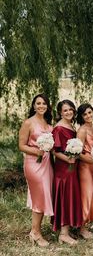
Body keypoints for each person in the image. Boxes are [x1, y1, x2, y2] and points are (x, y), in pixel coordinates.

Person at [19, 94, 53, 247]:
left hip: (47, 164)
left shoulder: (47, 122)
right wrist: (37, 152)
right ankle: (35, 233)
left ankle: (36, 230)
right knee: (39, 195)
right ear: (33, 106)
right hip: (33, 163)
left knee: (43, 194)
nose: (41, 106)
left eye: (44, 103)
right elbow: (21, 145)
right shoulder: (28, 123)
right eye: (38, 103)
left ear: (47, 106)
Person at [52, 100, 82, 245]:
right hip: (64, 168)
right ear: (60, 112)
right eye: (65, 110)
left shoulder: (71, 125)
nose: (68, 112)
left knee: (70, 196)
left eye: (71, 109)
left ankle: (67, 229)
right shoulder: (58, 128)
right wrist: (68, 160)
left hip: (72, 166)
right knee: (65, 196)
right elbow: (55, 151)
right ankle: (63, 233)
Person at [77, 103, 93, 239]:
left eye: (90, 112)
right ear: (81, 117)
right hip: (85, 166)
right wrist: (91, 160)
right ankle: (82, 228)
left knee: (90, 196)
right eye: (85, 114)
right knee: (86, 195)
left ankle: (85, 223)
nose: (88, 116)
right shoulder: (82, 130)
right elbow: (78, 153)